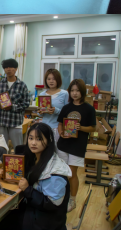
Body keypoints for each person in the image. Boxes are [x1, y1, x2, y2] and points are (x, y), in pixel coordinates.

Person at [0, 123, 71, 230]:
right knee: (2, 219)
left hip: (45, 221)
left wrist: (27, 189)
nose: (33, 143)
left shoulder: (55, 171)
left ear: (49, 141)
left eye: (39, 139)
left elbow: (52, 204)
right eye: (31, 138)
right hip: (34, 209)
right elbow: (29, 175)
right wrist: (8, 173)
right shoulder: (36, 157)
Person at [57, 79, 96, 212]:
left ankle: (72, 200)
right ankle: (62, 197)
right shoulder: (66, 107)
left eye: (77, 91)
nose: (74, 93)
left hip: (77, 146)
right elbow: (60, 123)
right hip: (63, 145)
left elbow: (93, 128)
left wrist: (81, 128)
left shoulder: (89, 109)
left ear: (82, 92)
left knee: (72, 174)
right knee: (62, 172)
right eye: (72, 90)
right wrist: (61, 133)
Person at [0, 59, 31, 149]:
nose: (8, 69)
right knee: (1, 147)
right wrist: (1, 104)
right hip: (2, 121)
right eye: (6, 67)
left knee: (18, 148)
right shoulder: (0, 84)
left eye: (11, 67)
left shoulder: (22, 85)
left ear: (16, 69)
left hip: (15, 122)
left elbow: (26, 103)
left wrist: (12, 107)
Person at [37, 68, 69, 142]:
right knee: (45, 147)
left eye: (54, 79)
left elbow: (68, 113)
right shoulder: (42, 94)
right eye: (49, 79)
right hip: (44, 127)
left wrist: (56, 111)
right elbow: (40, 114)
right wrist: (40, 112)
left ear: (58, 80)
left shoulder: (64, 94)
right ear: (46, 80)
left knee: (57, 148)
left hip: (58, 128)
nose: (51, 81)